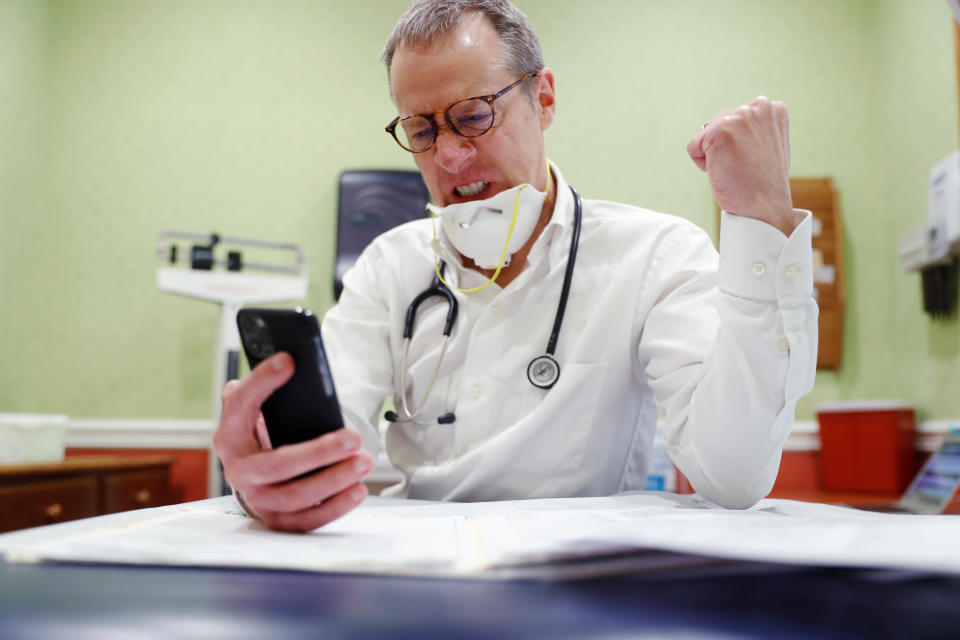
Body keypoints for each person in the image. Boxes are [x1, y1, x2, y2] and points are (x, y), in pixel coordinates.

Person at [214, 0, 817, 532]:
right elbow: (326, 443)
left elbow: (733, 475)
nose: (449, 156)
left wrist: (759, 221)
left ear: (543, 97)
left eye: (474, 116)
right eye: (421, 130)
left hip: (578, 586)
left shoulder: (654, 256)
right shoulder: (390, 266)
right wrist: (268, 471)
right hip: (418, 580)